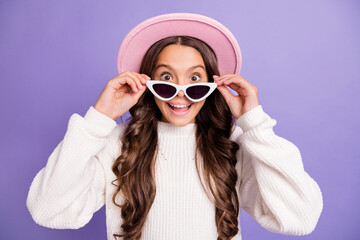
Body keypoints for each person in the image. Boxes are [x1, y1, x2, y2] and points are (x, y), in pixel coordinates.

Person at [26, 13, 323, 240]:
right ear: (147, 84)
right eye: (166, 79)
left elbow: (301, 218)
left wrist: (255, 125)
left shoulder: (232, 145)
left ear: (212, 86)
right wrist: (98, 119)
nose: (180, 92)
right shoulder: (116, 144)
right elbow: (47, 209)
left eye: (194, 79)